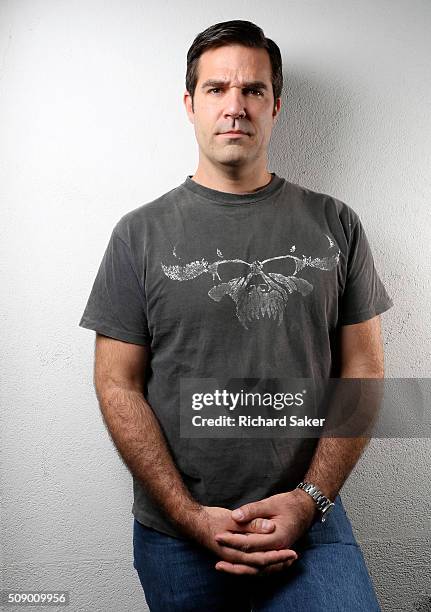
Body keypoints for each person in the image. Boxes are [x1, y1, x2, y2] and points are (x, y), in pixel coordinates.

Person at [79, 19, 393, 611]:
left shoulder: (336, 224)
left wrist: (309, 500)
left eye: (253, 90)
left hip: (311, 526)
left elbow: (363, 373)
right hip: (178, 536)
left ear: (275, 105)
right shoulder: (138, 235)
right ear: (190, 103)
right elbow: (116, 382)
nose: (235, 106)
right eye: (217, 89)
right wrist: (188, 515)